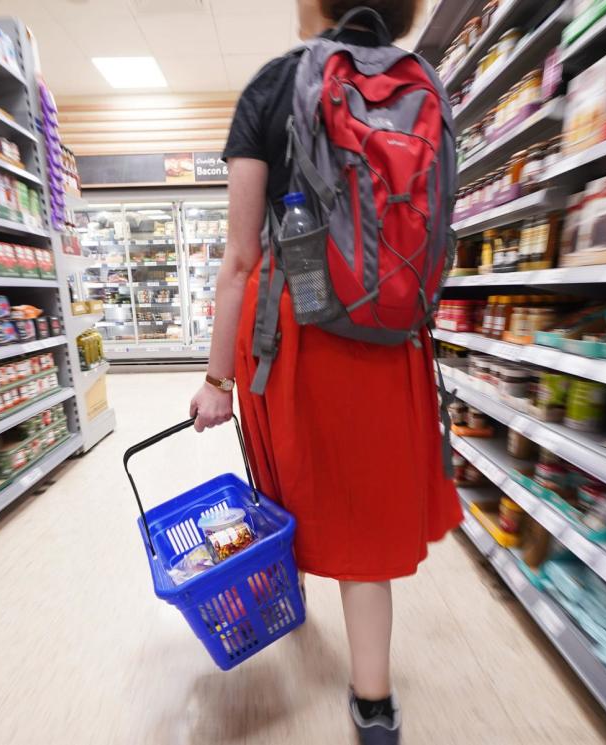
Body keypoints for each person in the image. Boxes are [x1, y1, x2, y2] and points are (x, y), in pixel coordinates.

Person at [190, 0, 459, 742]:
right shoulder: (424, 87)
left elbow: (240, 259)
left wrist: (216, 380)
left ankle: (291, 607)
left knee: (292, 484)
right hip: (389, 335)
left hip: (293, 332)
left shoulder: (273, 86)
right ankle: (374, 703)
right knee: (365, 517)